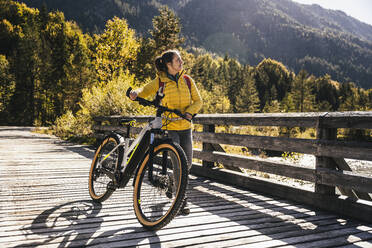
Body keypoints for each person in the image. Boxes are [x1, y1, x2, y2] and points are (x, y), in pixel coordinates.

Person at [129, 49, 203, 215]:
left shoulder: (187, 80)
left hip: (185, 127)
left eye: (180, 59)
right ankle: (181, 199)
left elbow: (198, 101)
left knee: (188, 164)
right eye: (178, 60)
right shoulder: (160, 81)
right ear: (169, 64)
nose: (181, 62)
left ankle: (171, 182)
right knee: (179, 163)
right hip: (170, 127)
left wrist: (190, 112)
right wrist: (136, 92)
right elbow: (145, 90)